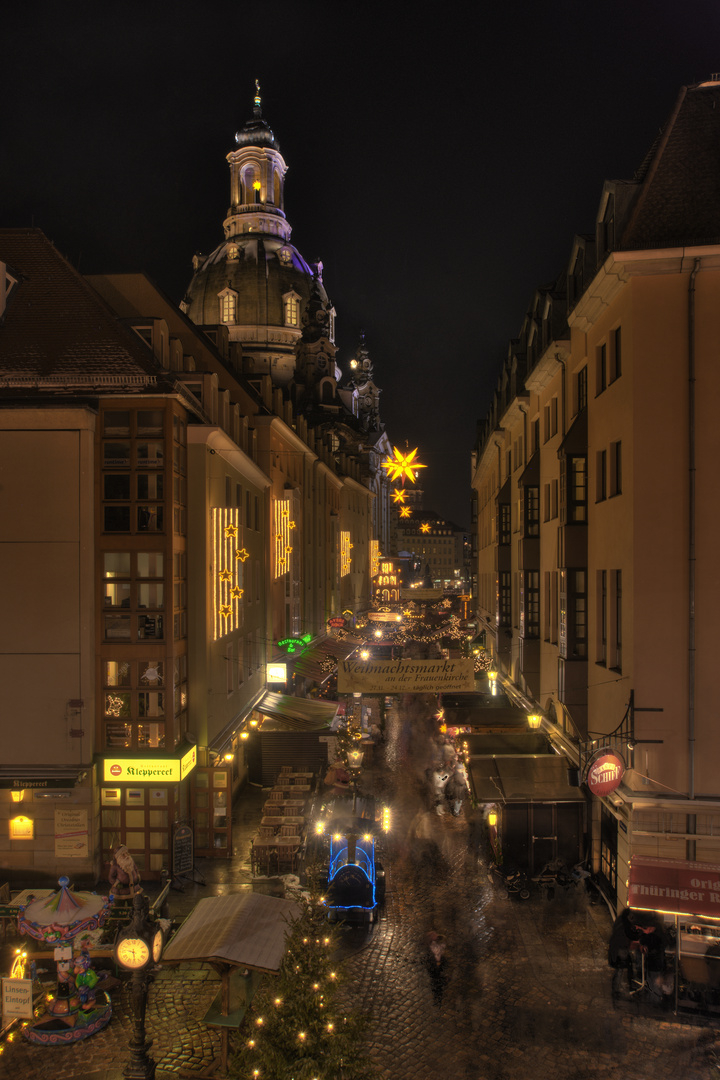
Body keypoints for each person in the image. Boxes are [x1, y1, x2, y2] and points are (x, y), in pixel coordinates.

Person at [425, 931, 449, 1006]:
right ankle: (438, 998)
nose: (436, 934)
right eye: (434, 935)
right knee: (436, 982)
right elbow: (438, 952)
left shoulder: (434, 944)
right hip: (435, 967)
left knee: (437, 982)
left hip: (437, 965)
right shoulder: (433, 946)